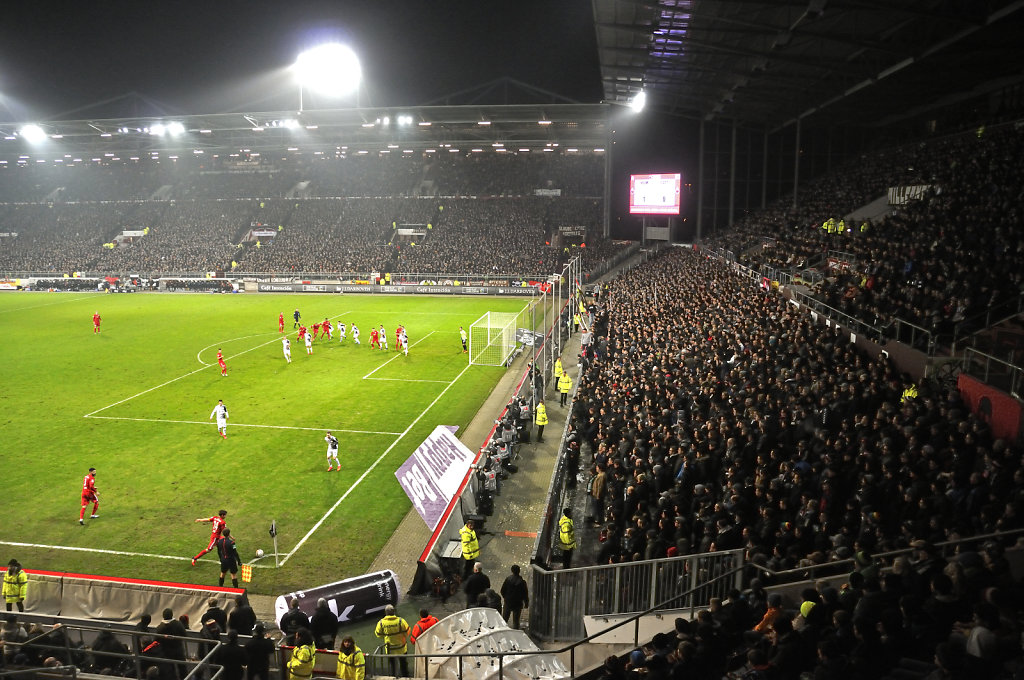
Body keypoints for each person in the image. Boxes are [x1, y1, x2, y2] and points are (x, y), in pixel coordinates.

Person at [374, 604, 409, 677]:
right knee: (403, 664)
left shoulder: (381, 623)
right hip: (401, 648)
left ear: (385, 613)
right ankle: (405, 676)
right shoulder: (400, 621)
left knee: (392, 665)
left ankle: (393, 677)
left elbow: (378, 634)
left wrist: (386, 636)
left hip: (390, 649)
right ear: (394, 612)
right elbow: (407, 631)